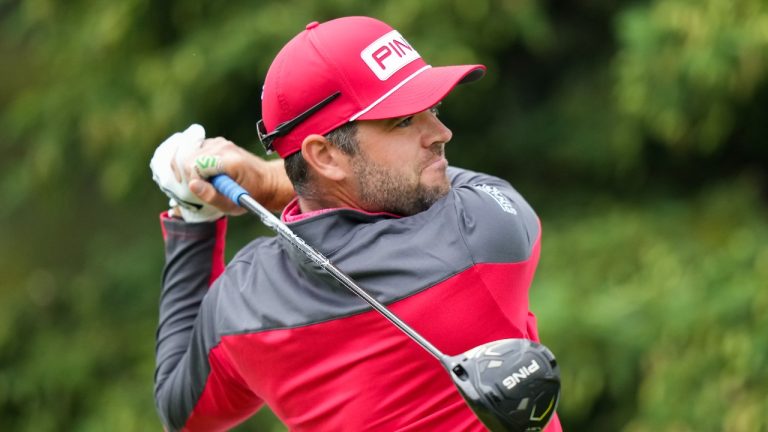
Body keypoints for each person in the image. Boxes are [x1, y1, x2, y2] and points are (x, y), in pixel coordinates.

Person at [150, 16, 562, 432]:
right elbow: (454, 188)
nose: (441, 132)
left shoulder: (242, 302)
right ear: (325, 156)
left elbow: (179, 411)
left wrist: (194, 215)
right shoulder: (483, 234)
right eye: (403, 121)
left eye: (431, 109)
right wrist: (262, 180)